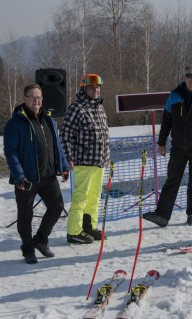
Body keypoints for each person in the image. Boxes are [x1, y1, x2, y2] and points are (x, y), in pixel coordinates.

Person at [142, 65, 192, 227]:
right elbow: (167, 121)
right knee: (172, 181)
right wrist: (161, 142)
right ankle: (162, 215)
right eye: (189, 75)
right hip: (178, 147)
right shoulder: (174, 96)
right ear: (184, 77)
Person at [3, 84, 69, 264]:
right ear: (24, 99)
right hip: (27, 178)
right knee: (25, 215)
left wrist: (63, 166)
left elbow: (57, 146)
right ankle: (28, 248)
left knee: (57, 207)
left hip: (48, 175)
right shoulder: (15, 122)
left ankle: (40, 239)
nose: (36, 100)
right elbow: (11, 152)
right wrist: (18, 176)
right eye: (32, 97)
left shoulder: (49, 120)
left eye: (38, 97)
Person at [61, 74, 110, 244]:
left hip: (99, 161)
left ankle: (88, 226)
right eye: (91, 88)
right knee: (81, 197)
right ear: (84, 89)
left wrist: (106, 157)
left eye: (97, 87)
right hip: (84, 161)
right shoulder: (77, 108)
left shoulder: (99, 108)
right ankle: (74, 231)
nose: (95, 90)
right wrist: (68, 156)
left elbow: (104, 135)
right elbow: (65, 134)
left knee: (95, 197)